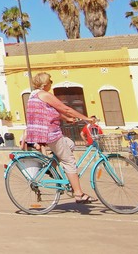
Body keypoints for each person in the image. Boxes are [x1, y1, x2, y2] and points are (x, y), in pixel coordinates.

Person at [22, 72, 93, 204]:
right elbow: (65, 108)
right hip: (50, 133)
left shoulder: (33, 95)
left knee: (70, 144)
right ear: (45, 84)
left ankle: (51, 166)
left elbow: (52, 111)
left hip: (42, 133)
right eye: (50, 81)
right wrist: (86, 118)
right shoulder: (45, 95)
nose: (51, 83)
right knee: (69, 161)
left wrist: (67, 119)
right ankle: (78, 193)